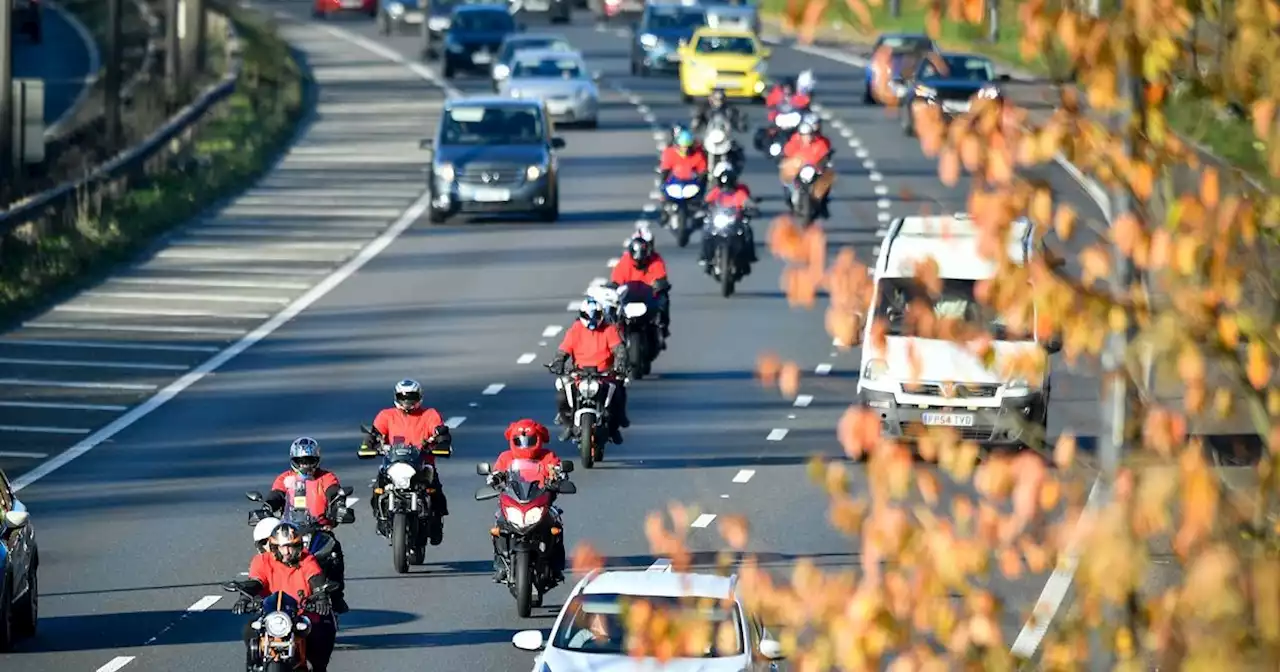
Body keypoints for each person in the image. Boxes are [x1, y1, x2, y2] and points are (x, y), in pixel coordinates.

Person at [230, 523, 337, 672]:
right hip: (270, 617)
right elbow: (256, 581)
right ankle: (253, 667)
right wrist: (244, 597)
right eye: (282, 547)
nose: (286, 552)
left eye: (290, 546)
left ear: (299, 546)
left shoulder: (307, 560)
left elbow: (315, 577)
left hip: (302, 615)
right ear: (274, 547)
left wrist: (321, 598)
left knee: (322, 636)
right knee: (249, 630)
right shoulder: (262, 561)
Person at [358, 379, 452, 545]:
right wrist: (367, 445)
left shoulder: (429, 414)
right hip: (393, 463)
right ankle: (381, 517)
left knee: (435, 491)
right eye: (403, 397)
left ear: (419, 397)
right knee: (378, 488)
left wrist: (442, 442)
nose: (407, 401)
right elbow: (374, 434)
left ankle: (436, 523)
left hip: (421, 464)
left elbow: (440, 432)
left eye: (411, 397)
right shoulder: (386, 415)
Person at [262, 437, 350, 614]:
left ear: (317, 461)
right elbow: (276, 495)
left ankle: (337, 595)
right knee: (269, 555)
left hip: (319, 528)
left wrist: (339, 506)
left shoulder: (326, 477)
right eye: (300, 461)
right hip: (290, 530)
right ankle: (267, 597)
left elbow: (333, 492)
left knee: (334, 553)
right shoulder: (285, 478)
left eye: (309, 461)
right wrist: (268, 506)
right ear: (293, 461)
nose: (305, 465)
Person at [487, 419, 566, 583]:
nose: (524, 445)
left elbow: (557, 468)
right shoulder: (505, 457)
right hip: (513, 502)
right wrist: (494, 478)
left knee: (556, 524)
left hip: (540, 502)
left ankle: (556, 565)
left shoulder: (547, 456)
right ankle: (501, 563)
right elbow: (496, 472)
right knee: (498, 524)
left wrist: (558, 475)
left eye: (529, 441)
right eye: (519, 441)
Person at [546, 297, 630, 444]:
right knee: (561, 396)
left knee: (619, 392)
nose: (592, 320)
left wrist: (620, 363)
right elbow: (563, 349)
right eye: (587, 316)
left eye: (596, 316)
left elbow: (619, 349)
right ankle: (568, 425)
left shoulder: (609, 329)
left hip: (604, 375)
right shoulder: (575, 330)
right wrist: (558, 361)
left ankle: (614, 427)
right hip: (579, 375)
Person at [608, 234, 671, 339]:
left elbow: (661, 276)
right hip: (628, 296)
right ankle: (613, 332)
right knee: (611, 306)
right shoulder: (625, 261)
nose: (639, 262)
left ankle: (662, 326)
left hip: (649, 295)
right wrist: (614, 286)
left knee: (663, 298)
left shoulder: (655, 260)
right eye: (636, 260)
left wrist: (659, 284)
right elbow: (617, 279)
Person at [700, 163, 759, 269]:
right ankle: (705, 257)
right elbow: (705, 203)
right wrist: (702, 209)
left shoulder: (740, 193)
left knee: (748, 231)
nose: (727, 189)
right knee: (706, 232)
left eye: (729, 186)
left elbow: (748, 203)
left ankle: (750, 256)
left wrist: (752, 210)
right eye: (724, 186)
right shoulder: (716, 192)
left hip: (735, 222)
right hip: (718, 221)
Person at [781, 114, 835, 219]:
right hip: (797, 170)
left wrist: (823, 164)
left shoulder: (820, 142)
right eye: (805, 135)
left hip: (813, 171)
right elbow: (787, 152)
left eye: (809, 134)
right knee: (786, 182)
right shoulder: (795, 142)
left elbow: (824, 155)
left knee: (826, 181)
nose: (807, 137)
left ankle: (823, 205)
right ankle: (790, 203)